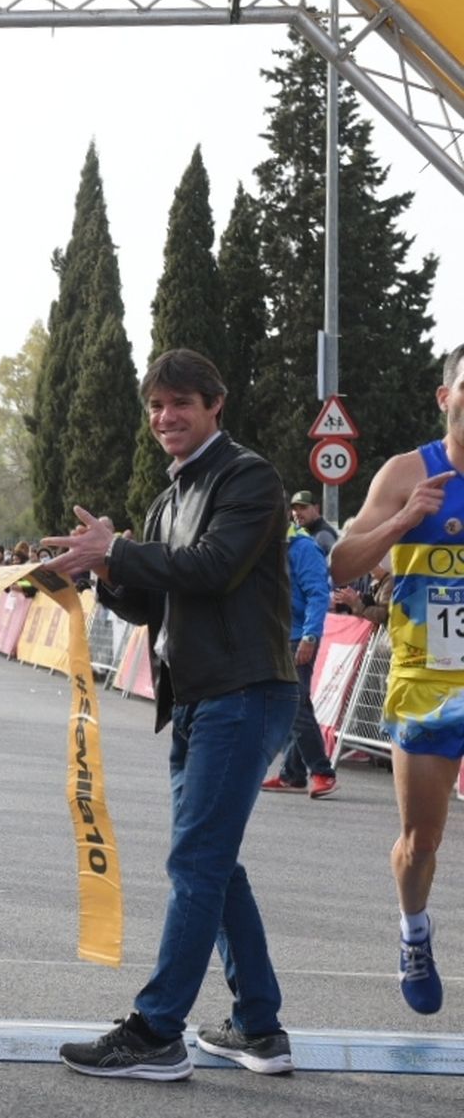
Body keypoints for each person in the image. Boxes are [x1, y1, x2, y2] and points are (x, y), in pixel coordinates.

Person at [42, 349, 298, 1082]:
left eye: (180, 402)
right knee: (214, 863)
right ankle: (259, 1026)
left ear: (216, 404)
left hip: (244, 692)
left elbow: (213, 568)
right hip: (196, 699)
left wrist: (120, 551)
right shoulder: (169, 494)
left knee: (197, 862)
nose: (165, 417)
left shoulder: (248, 477)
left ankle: (157, 1030)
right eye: (156, 405)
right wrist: (101, 568)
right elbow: (149, 602)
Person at [328, 343, 464, 1016]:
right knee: (422, 841)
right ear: (446, 396)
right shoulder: (410, 472)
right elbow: (341, 563)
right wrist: (407, 518)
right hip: (428, 681)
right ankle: (414, 930)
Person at [261, 519, 338, 799]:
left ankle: (322, 772)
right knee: (293, 704)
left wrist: (310, 636)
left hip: (298, 637)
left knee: (294, 705)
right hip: (279, 635)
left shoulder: (303, 548)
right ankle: (292, 774)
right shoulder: (270, 544)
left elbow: (318, 594)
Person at [289, 490, 339, 556]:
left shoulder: (323, 535)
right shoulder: (299, 532)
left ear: (316, 508)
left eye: (303, 508)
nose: (297, 513)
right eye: (294, 509)